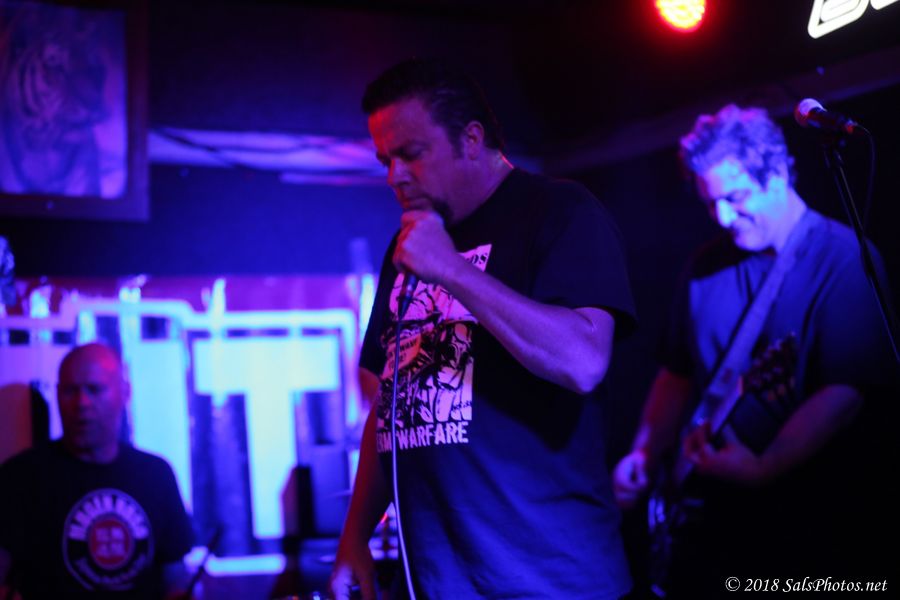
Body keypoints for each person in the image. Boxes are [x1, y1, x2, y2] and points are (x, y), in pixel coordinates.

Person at [329, 58, 637, 599]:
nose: (394, 175)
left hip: (550, 583)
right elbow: (391, 403)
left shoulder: (559, 211)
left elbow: (583, 360)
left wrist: (452, 270)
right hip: (439, 582)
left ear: (471, 139)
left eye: (411, 153)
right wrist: (354, 535)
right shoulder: (411, 245)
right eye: (385, 160)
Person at [612, 104, 897, 596]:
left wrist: (765, 468)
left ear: (778, 174)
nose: (723, 217)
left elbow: (846, 392)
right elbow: (676, 372)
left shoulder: (845, 260)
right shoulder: (705, 266)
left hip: (807, 529)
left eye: (736, 197)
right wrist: (645, 450)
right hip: (711, 525)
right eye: (710, 203)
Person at [0, 343, 194, 600]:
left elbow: (174, 574)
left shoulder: (155, 475)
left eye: (94, 389)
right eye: (70, 391)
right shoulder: (21, 476)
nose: (81, 403)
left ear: (125, 393)